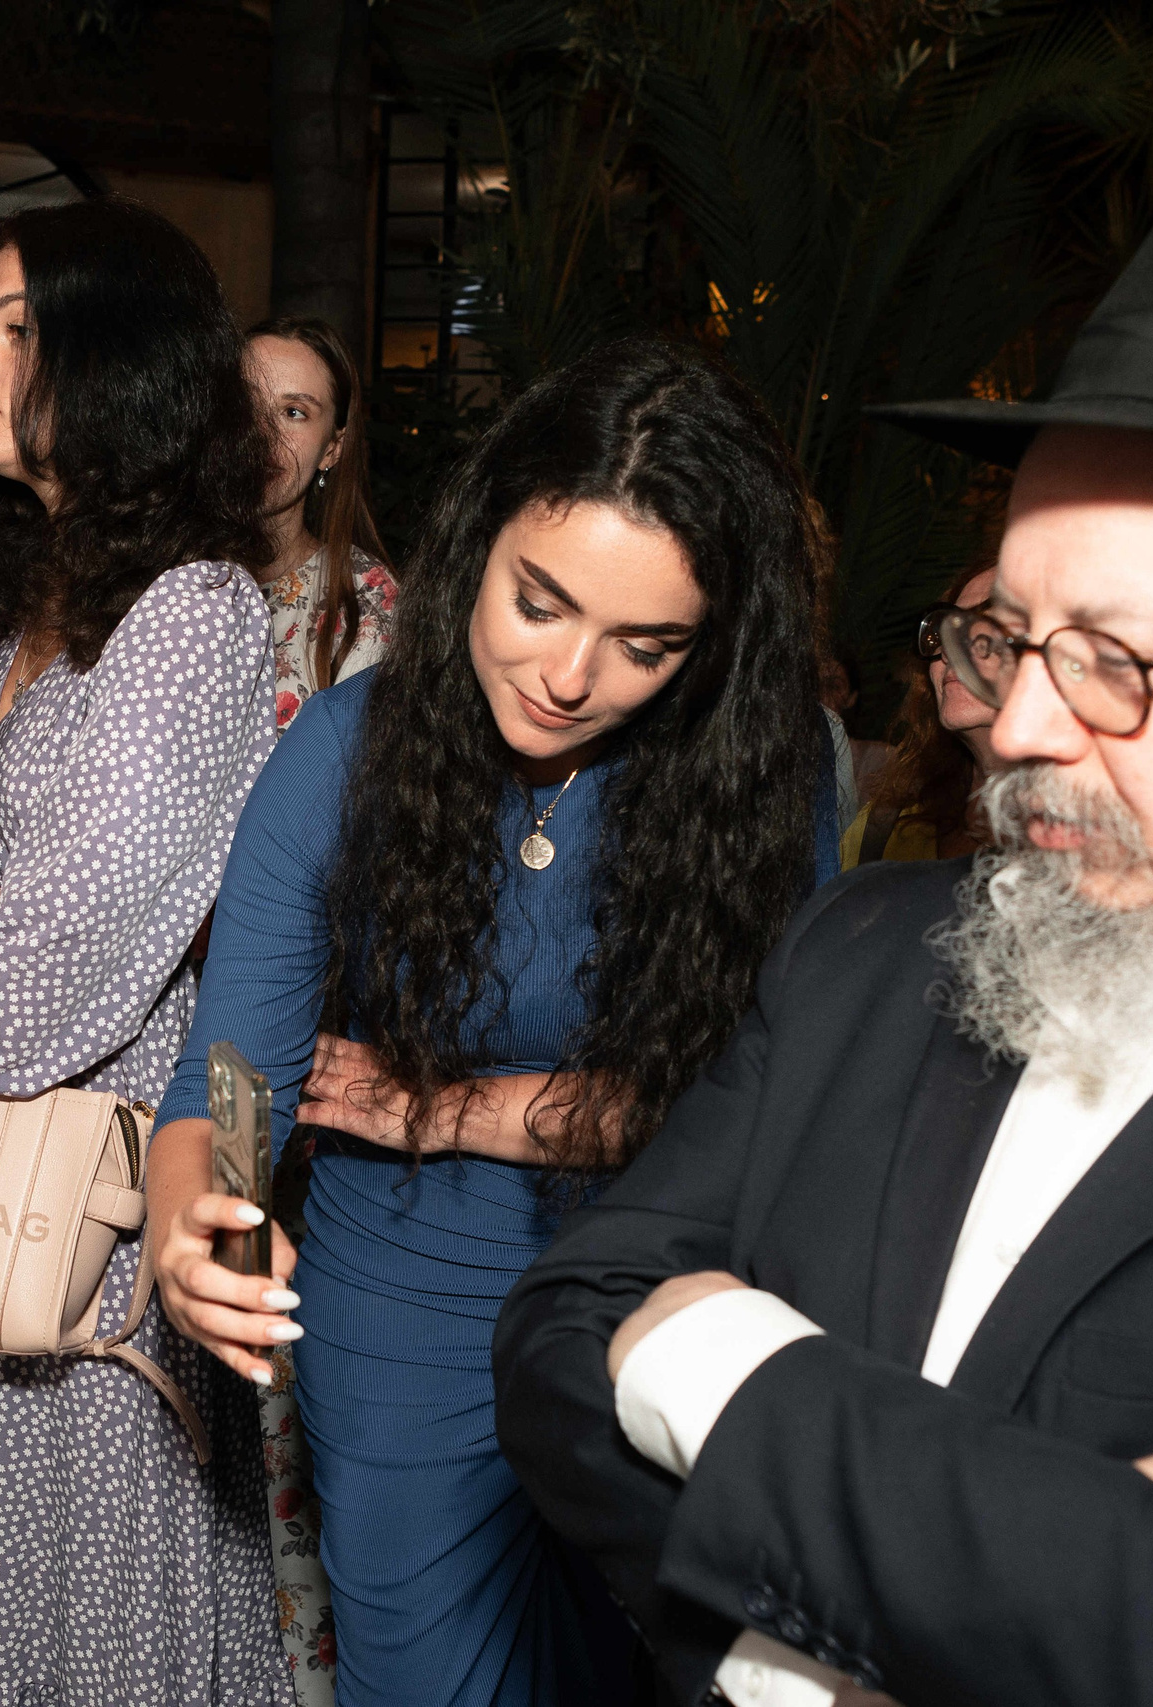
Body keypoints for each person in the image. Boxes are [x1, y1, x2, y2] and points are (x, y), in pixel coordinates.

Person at [494, 151, 1153, 1706]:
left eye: (1116, 658)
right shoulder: (865, 947)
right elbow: (564, 1327)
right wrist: (1025, 1575)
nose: (1019, 723)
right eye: (1008, 636)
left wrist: (719, 1365)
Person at [152, 340, 829, 1707]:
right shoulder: (343, 749)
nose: (569, 674)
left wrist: (460, 1109)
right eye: (538, 601)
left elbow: (760, 1103)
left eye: (644, 646)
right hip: (397, 1306)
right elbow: (231, 1070)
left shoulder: (765, 772)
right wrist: (196, 1216)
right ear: (478, 543)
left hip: (661, 1304)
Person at [0, 195, 288, 1707]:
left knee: (76, 1606)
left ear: (116, 365)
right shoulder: (40, 592)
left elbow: (46, 981)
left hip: (83, 1212)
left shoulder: (189, 614)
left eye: (10, 329)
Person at [245, 316, 397, 727]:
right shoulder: (148, 564)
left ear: (332, 448)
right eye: (244, 402)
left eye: (294, 412)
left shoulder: (364, 601)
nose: (262, 433)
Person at [839, 563, 998, 866]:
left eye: (988, 626)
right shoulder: (885, 827)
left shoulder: (1092, 832)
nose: (949, 650)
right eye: (946, 631)